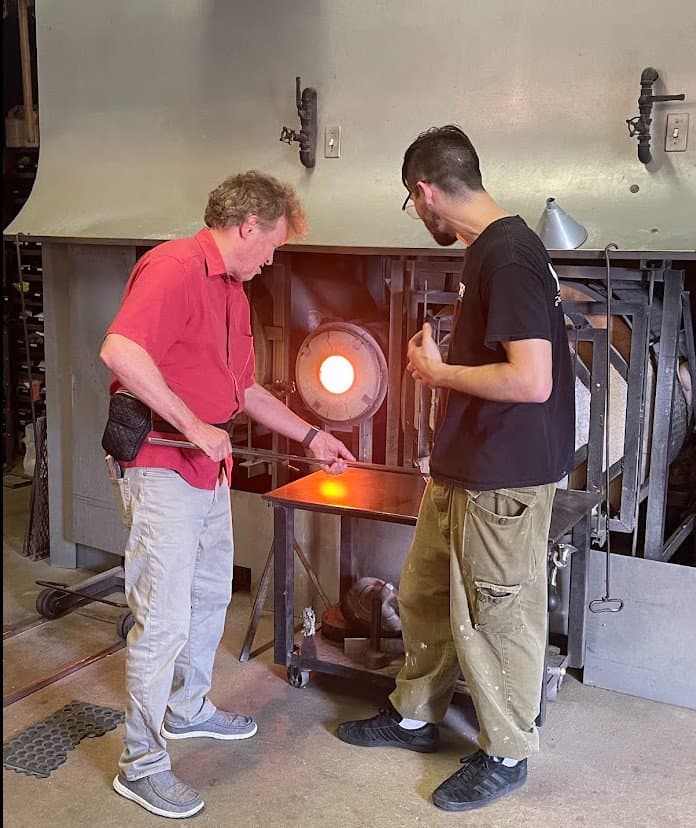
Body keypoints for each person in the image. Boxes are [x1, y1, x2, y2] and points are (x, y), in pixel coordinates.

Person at [100, 170, 355, 819]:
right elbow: (122, 351)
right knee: (162, 617)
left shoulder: (235, 293)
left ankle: (186, 709)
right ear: (247, 227)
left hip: (206, 468)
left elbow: (242, 391)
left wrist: (311, 435)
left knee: (211, 593)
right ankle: (142, 763)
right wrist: (192, 425)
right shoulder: (174, 267)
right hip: (161, 462)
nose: (272, 258)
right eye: (270, 244)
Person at [337, 126, 575, 812]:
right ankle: (415, 715)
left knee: (499, 617)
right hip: (465, 469)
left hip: (504, 476)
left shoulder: (508, 256)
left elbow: (531, 381)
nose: (418, 218)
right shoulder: (488, 254)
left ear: (425, 191)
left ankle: (505, 754)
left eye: (412, 206)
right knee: (427, 593)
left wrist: (440, 372)